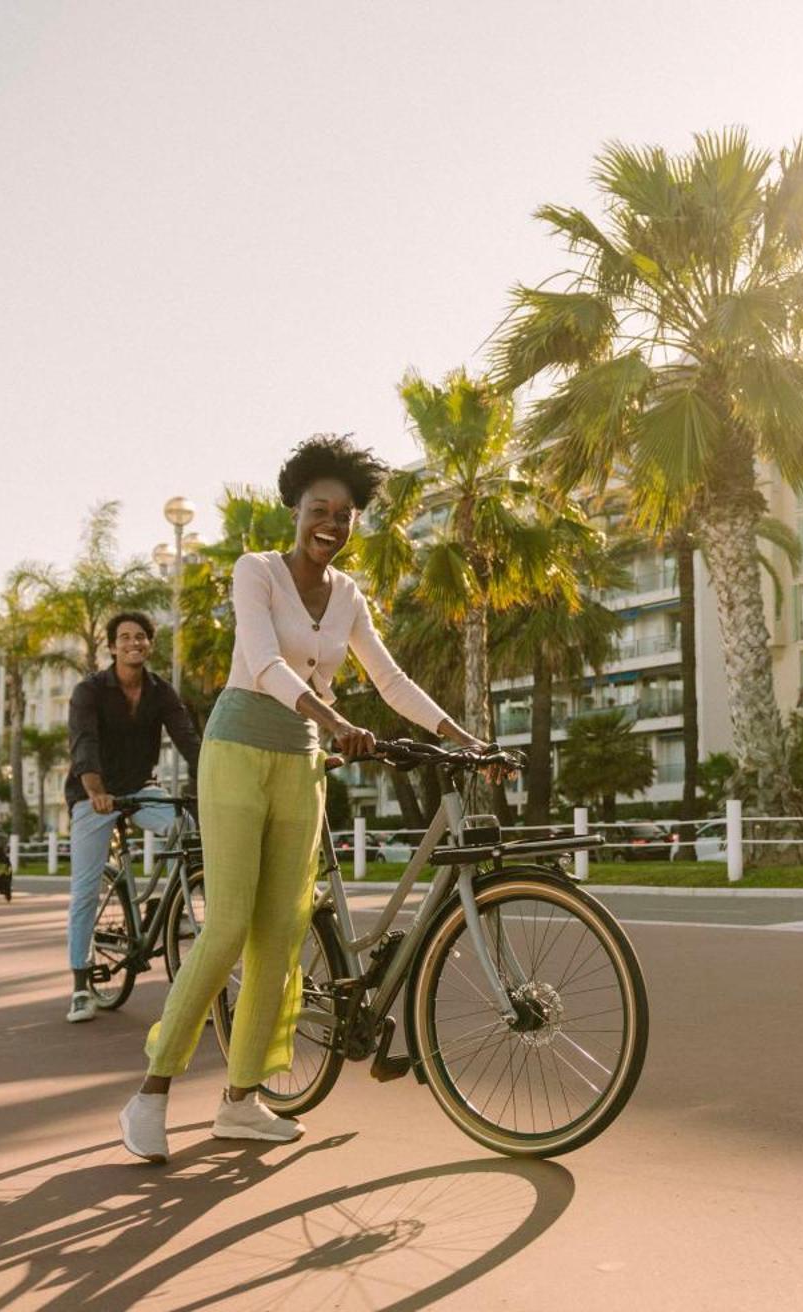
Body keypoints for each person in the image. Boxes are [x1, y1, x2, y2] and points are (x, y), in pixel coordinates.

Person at [119, 434, 508, 1163]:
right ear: (294, 510)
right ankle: (151, 1092)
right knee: (230, 920)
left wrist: (464, 738)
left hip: (302, 765)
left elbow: (391, 682)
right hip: (237, 752)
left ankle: (241, 1101)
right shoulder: (256, 570)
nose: (330, 522)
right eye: (317, 508)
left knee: (281, 933)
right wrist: (333, 719)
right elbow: (263, 662)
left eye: (345, 512)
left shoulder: (351, 596)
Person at [63, 611, 202, 1024]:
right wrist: (95, 791)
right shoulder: (89, 691)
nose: (133, 643)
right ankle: (80, 985)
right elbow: (83, 743)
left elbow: (189, 741)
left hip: (140, 789)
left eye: (140, 637)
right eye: (124, 637)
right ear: (111, 646)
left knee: (186, 828)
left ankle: (173, 900)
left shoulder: (161, 692)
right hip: (95, 794)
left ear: (149, 645)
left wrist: (209, 783)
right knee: (85, 888)